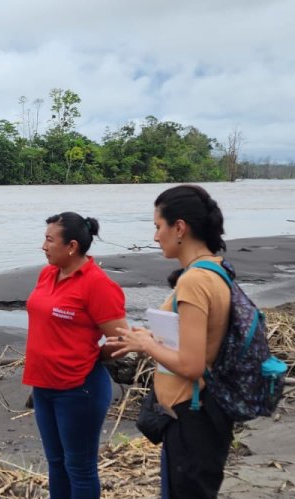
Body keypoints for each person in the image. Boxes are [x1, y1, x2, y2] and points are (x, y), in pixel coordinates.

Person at [108, 184, 234, 498]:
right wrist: (153, 338)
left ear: (179, 228)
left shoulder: (194, 281)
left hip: (192, 415)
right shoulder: (215, 270)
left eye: (158, 226)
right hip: (202, 412)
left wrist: (147, 346)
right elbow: (201, 340)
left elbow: (192, 365)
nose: (155, 236)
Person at [23, 212, 128, 499]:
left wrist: (93, 355)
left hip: (79, 389)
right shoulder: (48, 274)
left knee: (79, 468)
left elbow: (123, 339)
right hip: (43, 386)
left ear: (71, 246)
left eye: (49, 240)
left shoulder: (97, 284)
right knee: (56, 464)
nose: (43, 246)